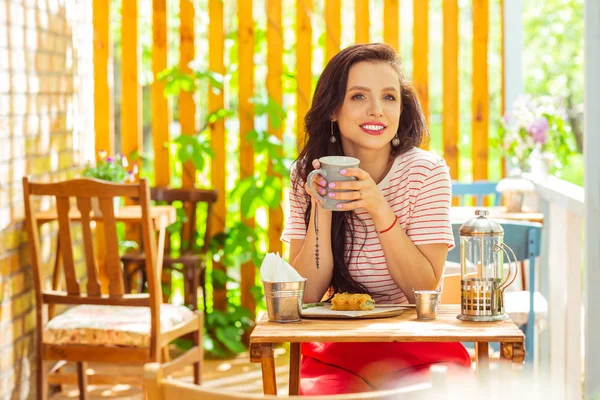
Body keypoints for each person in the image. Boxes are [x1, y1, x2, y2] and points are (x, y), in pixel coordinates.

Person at [280, 43, 472, 395]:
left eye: (389, 97)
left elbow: (423, 292)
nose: (376, 111)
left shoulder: (426, 172)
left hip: (421, 346)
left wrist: (380, 209)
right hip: (337, 348)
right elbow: (305, 294)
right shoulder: (304, 176)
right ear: (333, 109)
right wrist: (321, 209)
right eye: (358, 97)